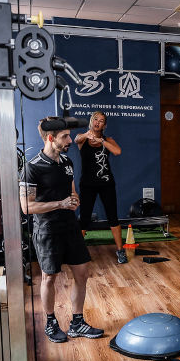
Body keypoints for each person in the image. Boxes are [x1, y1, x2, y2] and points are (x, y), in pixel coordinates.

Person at [19, 117, 104, 344]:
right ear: (50, 138)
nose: (69, 140)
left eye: (68, 136)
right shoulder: (32, 167)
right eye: (64, 137)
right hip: (47, 229)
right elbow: (27, 206)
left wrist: (74, 200)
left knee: (82, 273)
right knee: (48, 278)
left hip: (70, 226)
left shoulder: (67, 162)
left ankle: (77, 323)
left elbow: (72, 190)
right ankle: (50, 322)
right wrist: (60, 204)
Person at [75, 111, 127, 265]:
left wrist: (101, 141)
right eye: (95, 119)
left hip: (106, 184)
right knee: (84, 219)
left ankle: (120, 250)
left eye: (101, 121)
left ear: (104, 125)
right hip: (87, 185)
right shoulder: (82, 139)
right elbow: (76, 139)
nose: (98, 122)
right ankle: (76, 251)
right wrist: (87, 135)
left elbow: (117, 151)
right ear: (91, 121)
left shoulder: (108, 140)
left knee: (113, 217)